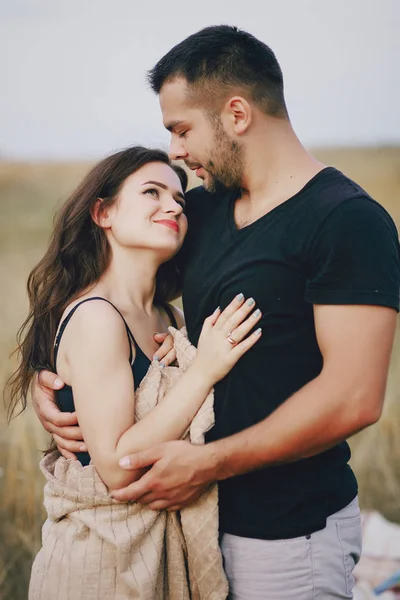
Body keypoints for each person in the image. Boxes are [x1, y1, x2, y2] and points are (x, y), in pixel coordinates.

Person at [32, 26, 400, 599]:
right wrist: (58, 383)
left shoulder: (346, 221)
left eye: (181, 130)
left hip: (287, 534)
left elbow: (354, 397)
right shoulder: (200, 212)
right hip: (187, 531)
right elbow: (108, 292)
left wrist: (205, 466)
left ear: (236, 114)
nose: (176, 153)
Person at [6, 145, 262, 599]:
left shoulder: (173, 320)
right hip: (99, 566)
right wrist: (202, 370)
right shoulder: (97, 317)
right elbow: (120, 469)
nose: (172, 206)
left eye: (180, 200)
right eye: (152, 192)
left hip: (159, 560)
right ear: (103, 213)